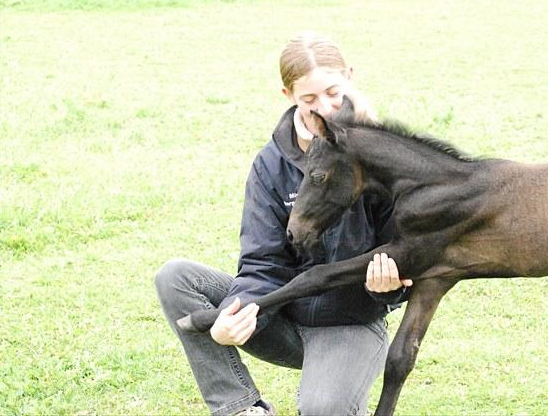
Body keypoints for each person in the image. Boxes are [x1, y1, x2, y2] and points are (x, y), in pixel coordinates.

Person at [155, 33, 412, 416]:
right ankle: (241, 408)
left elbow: (407, 254)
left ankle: (333, 380)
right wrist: (234, 313)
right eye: (308, 99)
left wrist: (389, 289)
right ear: (287, 95)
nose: (323, 108)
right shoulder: (270, 165)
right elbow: (262, 261)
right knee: (176, 277)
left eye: (332, 92)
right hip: (281, 315)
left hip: (350, 324)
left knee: (324, 409)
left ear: (350, 77)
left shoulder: (388, 157)